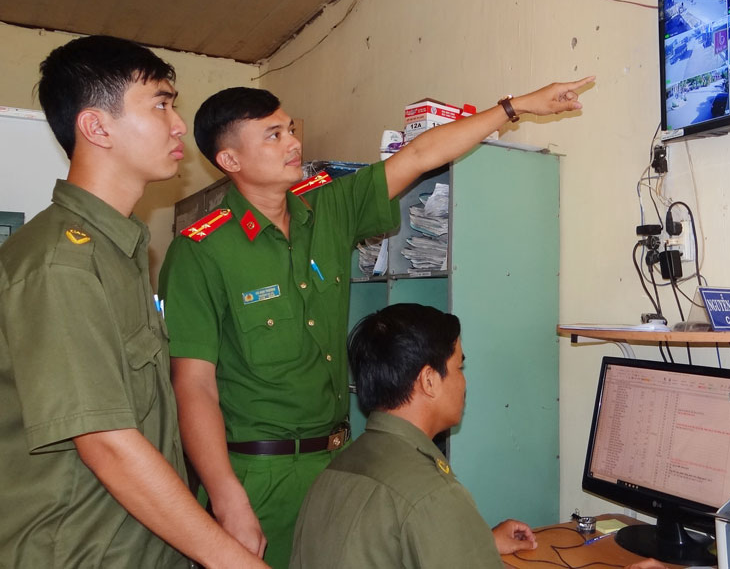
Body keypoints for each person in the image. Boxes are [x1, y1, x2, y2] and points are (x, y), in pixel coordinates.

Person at [158, 77, 593, 567]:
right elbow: (193, 386)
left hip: (340, 464)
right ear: (230, 160)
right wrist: (226, 497)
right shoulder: (201, 252)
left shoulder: (326, 208)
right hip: (257, 476)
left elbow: (418, 156)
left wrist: (516, 107)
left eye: (289, 128)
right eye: (272, 135)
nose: (294, 142)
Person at [0, 35, 266, 568]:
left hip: (141, 547)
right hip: (83, 553)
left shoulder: (120, 250)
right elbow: (107, 442)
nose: (177, 126)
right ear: (97, 127)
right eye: (162, 104)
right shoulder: (62, 262)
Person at [289, 303, 668, 569]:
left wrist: (476, 542)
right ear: (428, 380)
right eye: (459, 366)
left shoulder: (336, 471)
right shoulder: (430, 494)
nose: (465, 382)